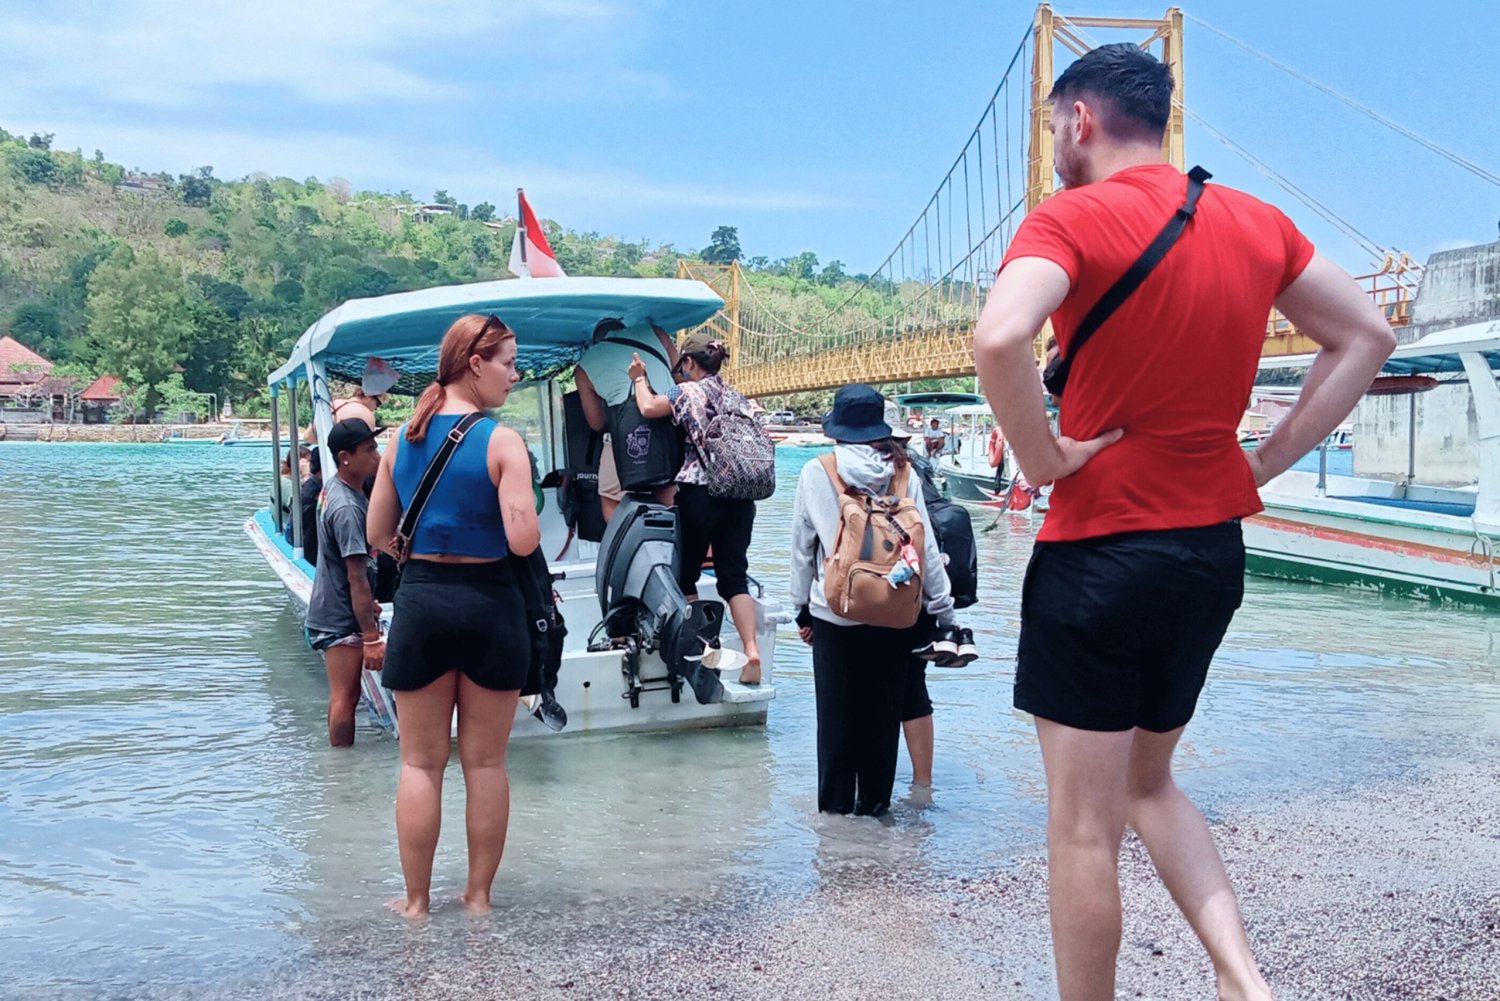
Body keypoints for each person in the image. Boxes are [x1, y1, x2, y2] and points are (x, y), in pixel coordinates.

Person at [972, 43, 1395, 1001]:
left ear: (1080, 120)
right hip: (1210, 553)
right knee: (1149, 783)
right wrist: (1269, 459)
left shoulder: (1068, 217)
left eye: (1051, 131)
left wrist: (1039, 461)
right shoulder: (1255, 221)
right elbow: (1368, 334)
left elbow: (999, 336)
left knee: (1082, 827)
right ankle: (1243, 979)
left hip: (1099, 551)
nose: (1052, 152)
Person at [366, 313, 541, 919]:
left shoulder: (400, 439)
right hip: (490, 603)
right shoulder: (502, 441)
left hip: (423, 602)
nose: (514, 376)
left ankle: (415, 904)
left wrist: (427, 546)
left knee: (419, 763)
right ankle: (478, 898)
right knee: (486, 763)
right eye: (509, 363)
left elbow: (376, 531)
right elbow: (523, 542)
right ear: (476, 364)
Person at [789, 384, 962, 817]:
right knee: (881, 726)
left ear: (837, 430)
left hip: (834, 614)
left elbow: (801, 549)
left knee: (836, 725)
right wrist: (945, 613)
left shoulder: (818, 471)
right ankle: (875, 818)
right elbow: (924, 551)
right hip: (895, 615)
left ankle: (835, 832)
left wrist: (801, 609)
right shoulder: (903, 473)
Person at [626, 331, 762, 684]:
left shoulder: (686, 392)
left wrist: (639, 378)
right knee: (733, 578)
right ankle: (751, 651)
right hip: (741, 498)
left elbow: (648, 407)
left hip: (701, 496)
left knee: (686, 576)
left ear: (688, 363)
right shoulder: (737, 396)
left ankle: (706, 652)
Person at [303, 419, 385, 748]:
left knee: (345, 697)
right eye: (369, 450)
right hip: (337, 616)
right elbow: (356, 575)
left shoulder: (340, 487)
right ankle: (340, 769)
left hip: (338, 605)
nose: (376, 456)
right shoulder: (348, 507)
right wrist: (371, 637)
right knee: (345, 697)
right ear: (345, 457)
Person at [573, 319, 679, 522]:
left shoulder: (584, 367)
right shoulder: (656, 331)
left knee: (610, 496)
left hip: (623, 444)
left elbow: (596, 423)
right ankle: (675, 543)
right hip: (669, 435)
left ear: (598, 342)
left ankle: (620, 541)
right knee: (669, 491)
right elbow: (681, 376)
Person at [304, 357, 399, 442]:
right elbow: (365, 449)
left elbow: (307, 437)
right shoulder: (365, 414)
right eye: (378, 404)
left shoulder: (334, 404)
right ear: (370, 395)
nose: (376, 408)